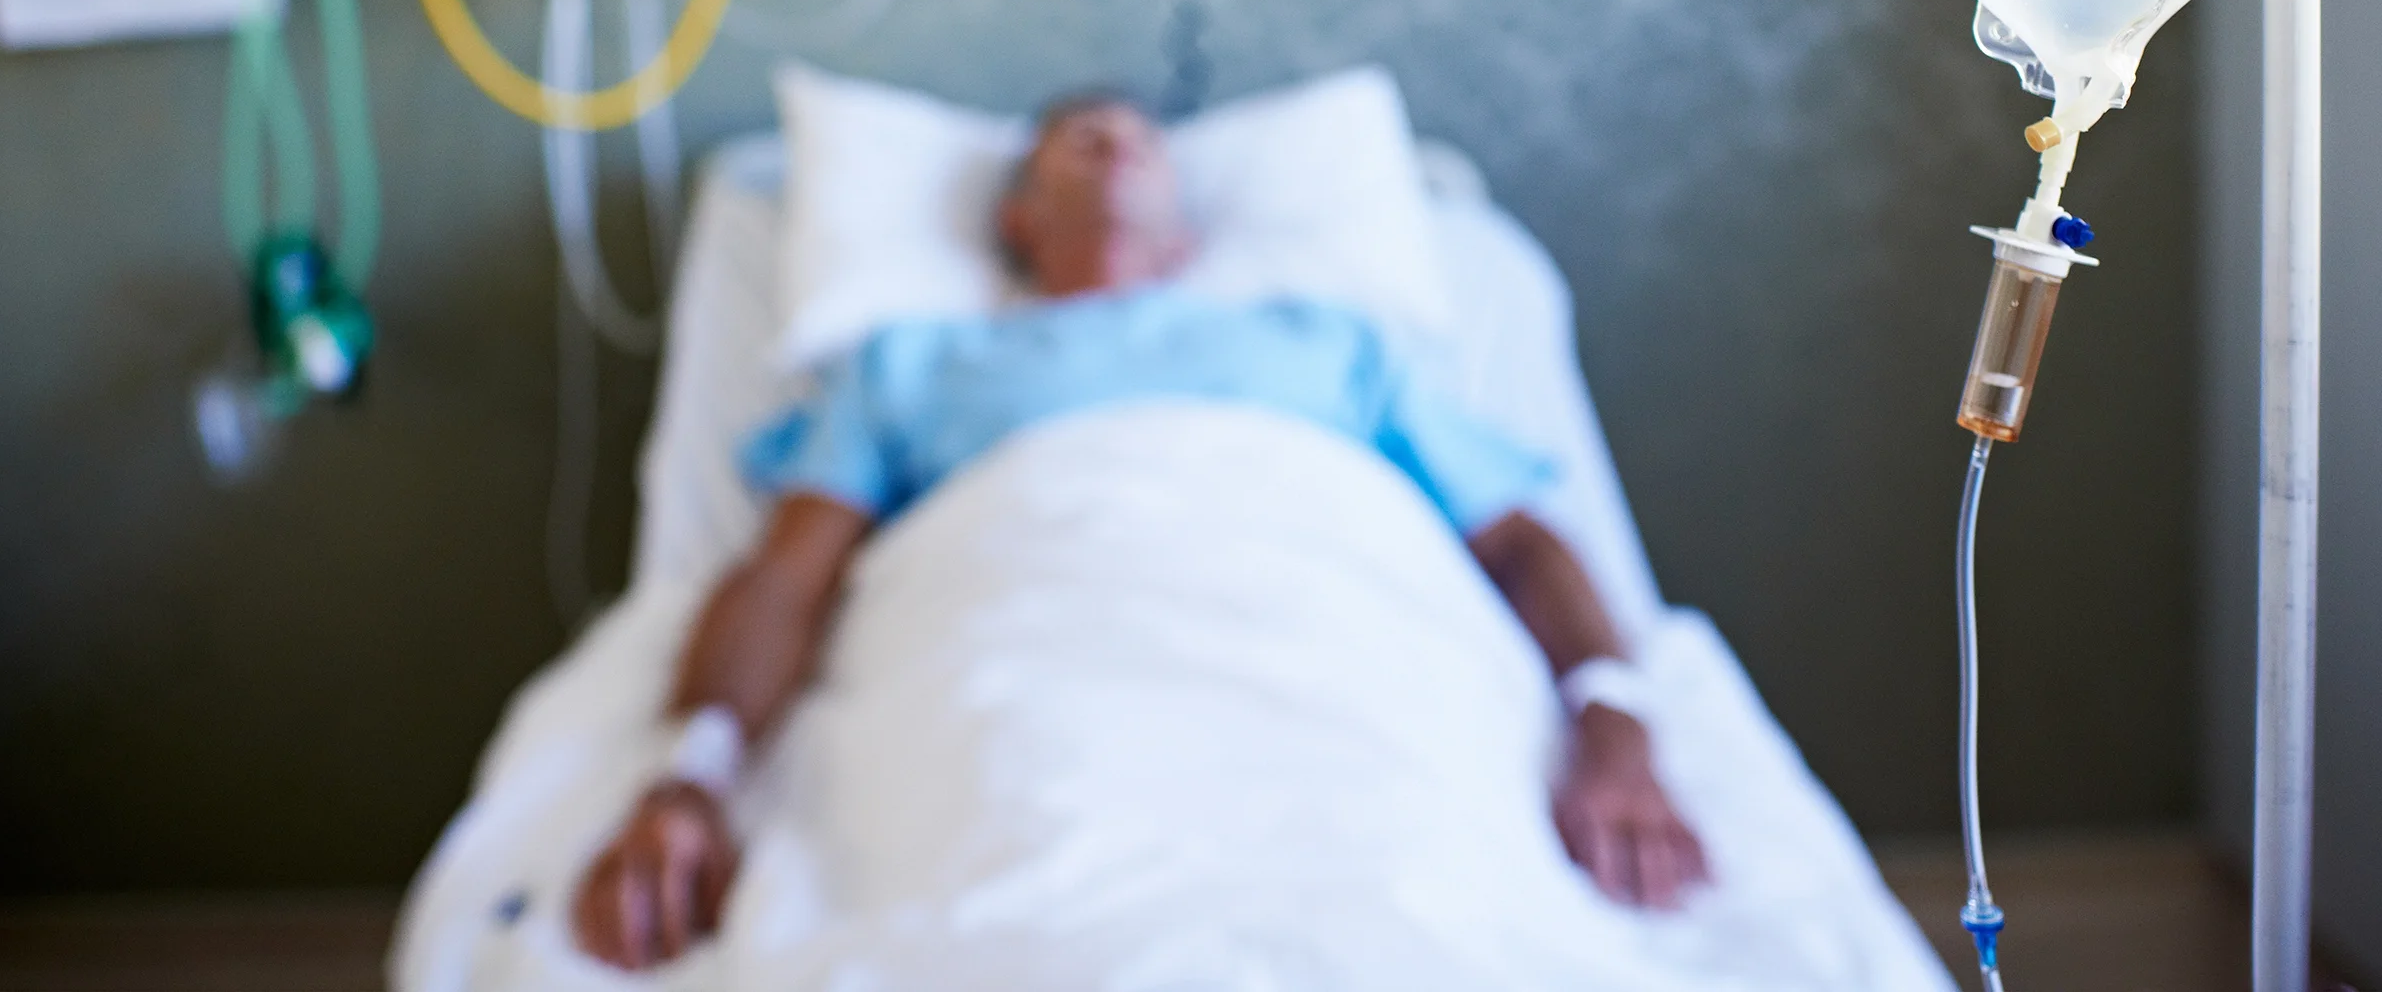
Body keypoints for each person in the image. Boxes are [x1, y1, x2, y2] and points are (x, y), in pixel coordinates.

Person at [572, 96, 1709, 970]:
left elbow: (1520, 542)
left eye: (1139, 142)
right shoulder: (908, 365)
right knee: (1032, 871)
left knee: (1397, 876)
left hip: (1327, 634)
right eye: (1077, 143)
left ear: (1188, 223)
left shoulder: (1331, 346)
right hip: (1026, 635)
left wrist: (1616, 726)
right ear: (1018, 220)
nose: (1114, 148)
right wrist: (691, 778)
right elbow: (786, 577)